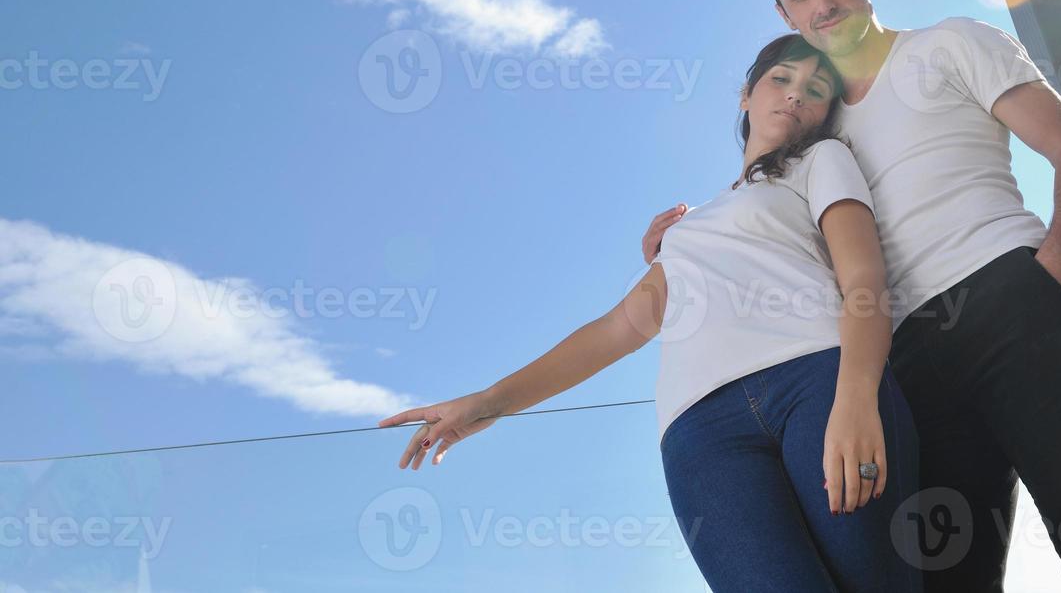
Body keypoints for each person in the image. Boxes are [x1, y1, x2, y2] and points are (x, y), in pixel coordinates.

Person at [645, 0, 1061, 592]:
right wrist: (684, 233)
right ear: (784, 11)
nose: (823, 2)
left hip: (1015, 300)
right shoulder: (816, 128)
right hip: (903, 360)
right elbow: (764, 217)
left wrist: (1056, 271)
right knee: (945, 577)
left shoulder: (950, 43)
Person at [379, 33, 925, 593]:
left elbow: (863, 281)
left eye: (815, 90)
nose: (794, 96)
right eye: (781, 79)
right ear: (746, 95)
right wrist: (487, 402)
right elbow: (618, 328)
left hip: (816, 385)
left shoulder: (823, 160)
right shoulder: (685, 229)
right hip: (701, 432)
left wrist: (856, 397)